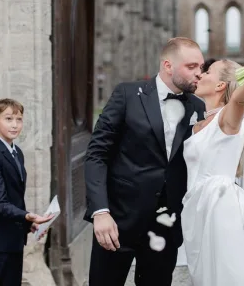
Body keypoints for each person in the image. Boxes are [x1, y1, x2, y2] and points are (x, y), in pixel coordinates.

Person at [84, 37, 206, 286]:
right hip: (117, 221)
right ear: (168, 65)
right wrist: (100, 211)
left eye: (201, 67)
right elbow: (97, 153)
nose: (199, 74)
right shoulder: (127, 94)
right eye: (191, 67)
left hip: (166, 225)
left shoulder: (197, 107)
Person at [181, 52, 244, 286]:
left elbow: (240, 99)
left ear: (220, 84)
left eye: (207, 72)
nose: (200, 74)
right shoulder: (197, 124)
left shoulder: (228, 118)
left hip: (222, 208)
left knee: (230, 274)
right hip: (197, 208)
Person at [0, 99, 53, 286]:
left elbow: (15, 196)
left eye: (19, 119)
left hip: (13, 238)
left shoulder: (17, 152)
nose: (15, 124)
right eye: (8, 119)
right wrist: (27, 216)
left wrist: (28, 225)